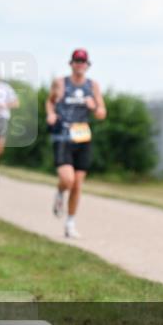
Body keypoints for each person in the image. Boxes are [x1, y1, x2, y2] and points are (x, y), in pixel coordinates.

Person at [46, 48, 106, 238]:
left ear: (87, 65)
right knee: (67, 180)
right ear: (71, 64)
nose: (79, 65)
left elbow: (101, 114)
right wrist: (50, 113)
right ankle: (59, 192)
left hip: (82, 137)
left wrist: (93, 106)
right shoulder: (60, 83)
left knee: (78, 184)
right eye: (76, 61)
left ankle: (70, 224)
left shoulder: (93, 86)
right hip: (63, 135)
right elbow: (50, 101)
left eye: (83, 62)